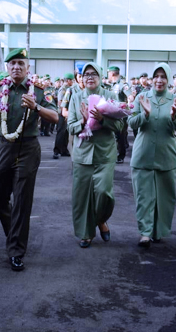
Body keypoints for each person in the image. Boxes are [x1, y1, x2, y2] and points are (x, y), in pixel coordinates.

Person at [0, 48, 58, 271]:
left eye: (21, 63)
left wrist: (37, 107)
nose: (16, 67)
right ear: (7, 68)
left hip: (28, 147)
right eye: (12, 64)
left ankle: (16, 251)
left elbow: (56, 116)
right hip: (3, 146)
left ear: (28, 68)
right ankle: (14, 232)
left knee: (21, 200)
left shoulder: (39, 91)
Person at [128, 62, 176, 248]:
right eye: (156, 77)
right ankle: (145, 233)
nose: (159, 80)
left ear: (168, 80)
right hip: (143, 154)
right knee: (144, 196)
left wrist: (174, 116)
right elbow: (132, 123)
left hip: (166, 155)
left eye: (163, 77)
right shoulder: (141, 97)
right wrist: (145, 114)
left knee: (164, 197)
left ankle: (158, 231)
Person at [66, 62, 123, 248]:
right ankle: (86, 233)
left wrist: (102, 119)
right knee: (82, 196)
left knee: (103, 192)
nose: (89, 77)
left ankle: (100, 220)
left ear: (100, 77)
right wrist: (82, 122)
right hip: (82, 153)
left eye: (94, 74)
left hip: (104, 153)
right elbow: (70, 125)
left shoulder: (110, 96)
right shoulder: (76, 97)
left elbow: (120, 126)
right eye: (86, 74)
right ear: (81, 78)